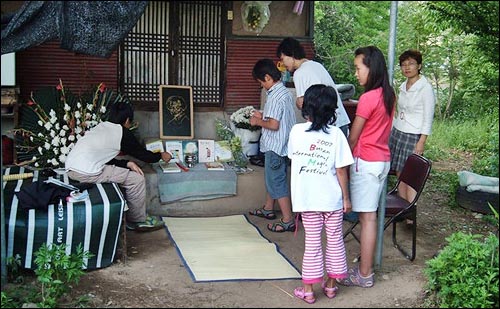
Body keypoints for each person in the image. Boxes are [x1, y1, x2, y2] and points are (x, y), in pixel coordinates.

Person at [288, 84, 353, 304]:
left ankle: (308, 290)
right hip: (332, 200)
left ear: (307, 107)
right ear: (332, 110)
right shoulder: (336, 135)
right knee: (335, 241)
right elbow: (341, 170)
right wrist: (346, 198)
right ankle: (331, 287)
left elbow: (292, 158)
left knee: (312, 243)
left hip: (307, 200)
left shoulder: (296, 131)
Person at [337, 46, 395, 288]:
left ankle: (364, 274)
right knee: (369, 217)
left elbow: (353, 137)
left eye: (358, 68)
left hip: (367, 161)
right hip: (382, 160)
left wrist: (341, 161)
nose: (356, 73)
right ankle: (366, 270)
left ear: (371, 68)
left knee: (368, 219)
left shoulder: (368, 98)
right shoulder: (389, 94)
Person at [65, 101, 172, 232]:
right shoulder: (122, 133)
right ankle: (137, 220)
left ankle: (133, 216)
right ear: (127, 120)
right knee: (136, 179)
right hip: (87, 172)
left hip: (71, 168)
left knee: (126, 172)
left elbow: (103, 158)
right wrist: (161, 155)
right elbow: (144, 155)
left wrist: (127, 163)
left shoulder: (101, 127)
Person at [248, 58, 297, 233]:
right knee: (273, 179)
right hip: (283, 145)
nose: (262, 86)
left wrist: (257, 121)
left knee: (277, 182)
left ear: (268, 78)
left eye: (261, 82)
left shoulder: (275, 97)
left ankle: (287, 219)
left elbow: (274, 125)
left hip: (275, 146)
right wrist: (262, 115)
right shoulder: (284, 92)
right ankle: (268, 208)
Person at [276, 37, 351, 137]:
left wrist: (298, 103)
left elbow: (302, 104)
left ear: (292, 55)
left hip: (326, 128)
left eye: (282, 59)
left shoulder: (299, 73)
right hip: (341, 122)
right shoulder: (317, 65)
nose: (283, 64)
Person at [389, 49, 435, 207]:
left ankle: (411, 209)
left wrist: (421, 141)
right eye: (403, 64)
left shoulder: (425, 88)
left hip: (413, 134)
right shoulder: (403, 85)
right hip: (398, 132)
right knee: (399, 172)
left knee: (411, 173)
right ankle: (401, 207)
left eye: (411, 64)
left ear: (419, 65)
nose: (407, 67)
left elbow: (428, 117)